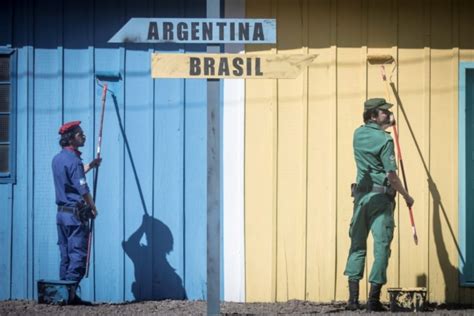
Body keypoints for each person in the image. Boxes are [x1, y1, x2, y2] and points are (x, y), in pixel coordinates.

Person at [344, 98, 414, 311]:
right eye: (384, 112)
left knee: (357, 246)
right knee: (381, 247)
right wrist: (406, 196)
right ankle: (373, 301)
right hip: (380, 201)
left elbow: (373, 132)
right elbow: (391, 176)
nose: (388, 114)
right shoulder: (385, 140)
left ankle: (353, 301)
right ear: (373, 115)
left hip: (361, 200)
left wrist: (387, 124)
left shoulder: (358, 134)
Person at [52, 120, 101, 304]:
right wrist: (93, 207)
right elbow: (82, 187)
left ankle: (63, 296)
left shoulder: (58, 159)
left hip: (62, 215)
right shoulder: (74, 161)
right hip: (75, 216)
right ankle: (67, 296)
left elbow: (73, 177)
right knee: (78, 256)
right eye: (80, 134)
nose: (84, 136)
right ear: (71, 138)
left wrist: (90, 165)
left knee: (65, 255)